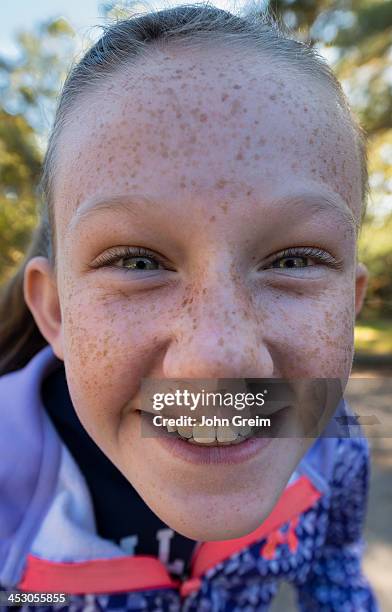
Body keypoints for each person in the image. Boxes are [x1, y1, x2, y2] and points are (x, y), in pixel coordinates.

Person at [0, 3, 378, 610]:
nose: (217, 357)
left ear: (349, 307)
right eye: (137, 261)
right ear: (56, 313)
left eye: (293, 260)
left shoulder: (337, 450)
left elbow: (335, 579)